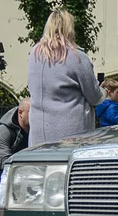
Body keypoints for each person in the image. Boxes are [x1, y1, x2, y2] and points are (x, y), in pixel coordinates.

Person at [27, 8, 106, 146]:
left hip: (38, 136)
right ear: (70, 29)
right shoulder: (77, 57)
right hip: (71, 136)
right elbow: (95, 97)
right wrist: (104, 91)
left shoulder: (35, 54)